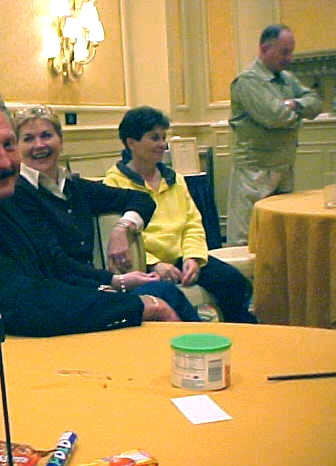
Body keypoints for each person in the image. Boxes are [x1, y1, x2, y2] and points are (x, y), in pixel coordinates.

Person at [0, 87, 181, 337]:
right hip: (6, 359)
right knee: (159, 302)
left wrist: (116, 285)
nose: (5, 162)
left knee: (164, 297)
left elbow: (52, 266)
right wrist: (138, 305)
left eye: (8, 145)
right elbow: (25, 304)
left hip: (37, 332)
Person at [12, 105, 200, 320]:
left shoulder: (75, 188)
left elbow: (141, 199)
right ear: (16, 148)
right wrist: (115, 281)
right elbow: (55, 261)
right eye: (28, 139)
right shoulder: (18, 193)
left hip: (91, 288)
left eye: (46, 135)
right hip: (57, 298)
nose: (39, 145)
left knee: (165, 292)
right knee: (160, 297)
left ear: (61, 141)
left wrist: (122, 228)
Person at [103, 106, 257, 324]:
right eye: (154, 138)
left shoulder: (175, 179)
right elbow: (120, 239)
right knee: (170, 298)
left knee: (234, 282)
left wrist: (192, 257)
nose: (161, 144)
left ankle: (240, 331)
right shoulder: (114, 182)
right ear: (131, 143)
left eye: (163, 137)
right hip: (144, 265)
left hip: (181, 257)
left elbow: (192, 223)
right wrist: (154, 264)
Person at [226, 24, 321, 245]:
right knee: (248, 238)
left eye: (291, 52)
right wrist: (297, 113)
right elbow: (275, 117)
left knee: (280, 235)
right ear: (264, 49)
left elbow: (316, 103)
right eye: (284, 52)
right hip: (254, 172)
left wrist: (293, 104)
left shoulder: (287, 79)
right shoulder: (248, 80)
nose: (289, 58)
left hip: (283, 167)